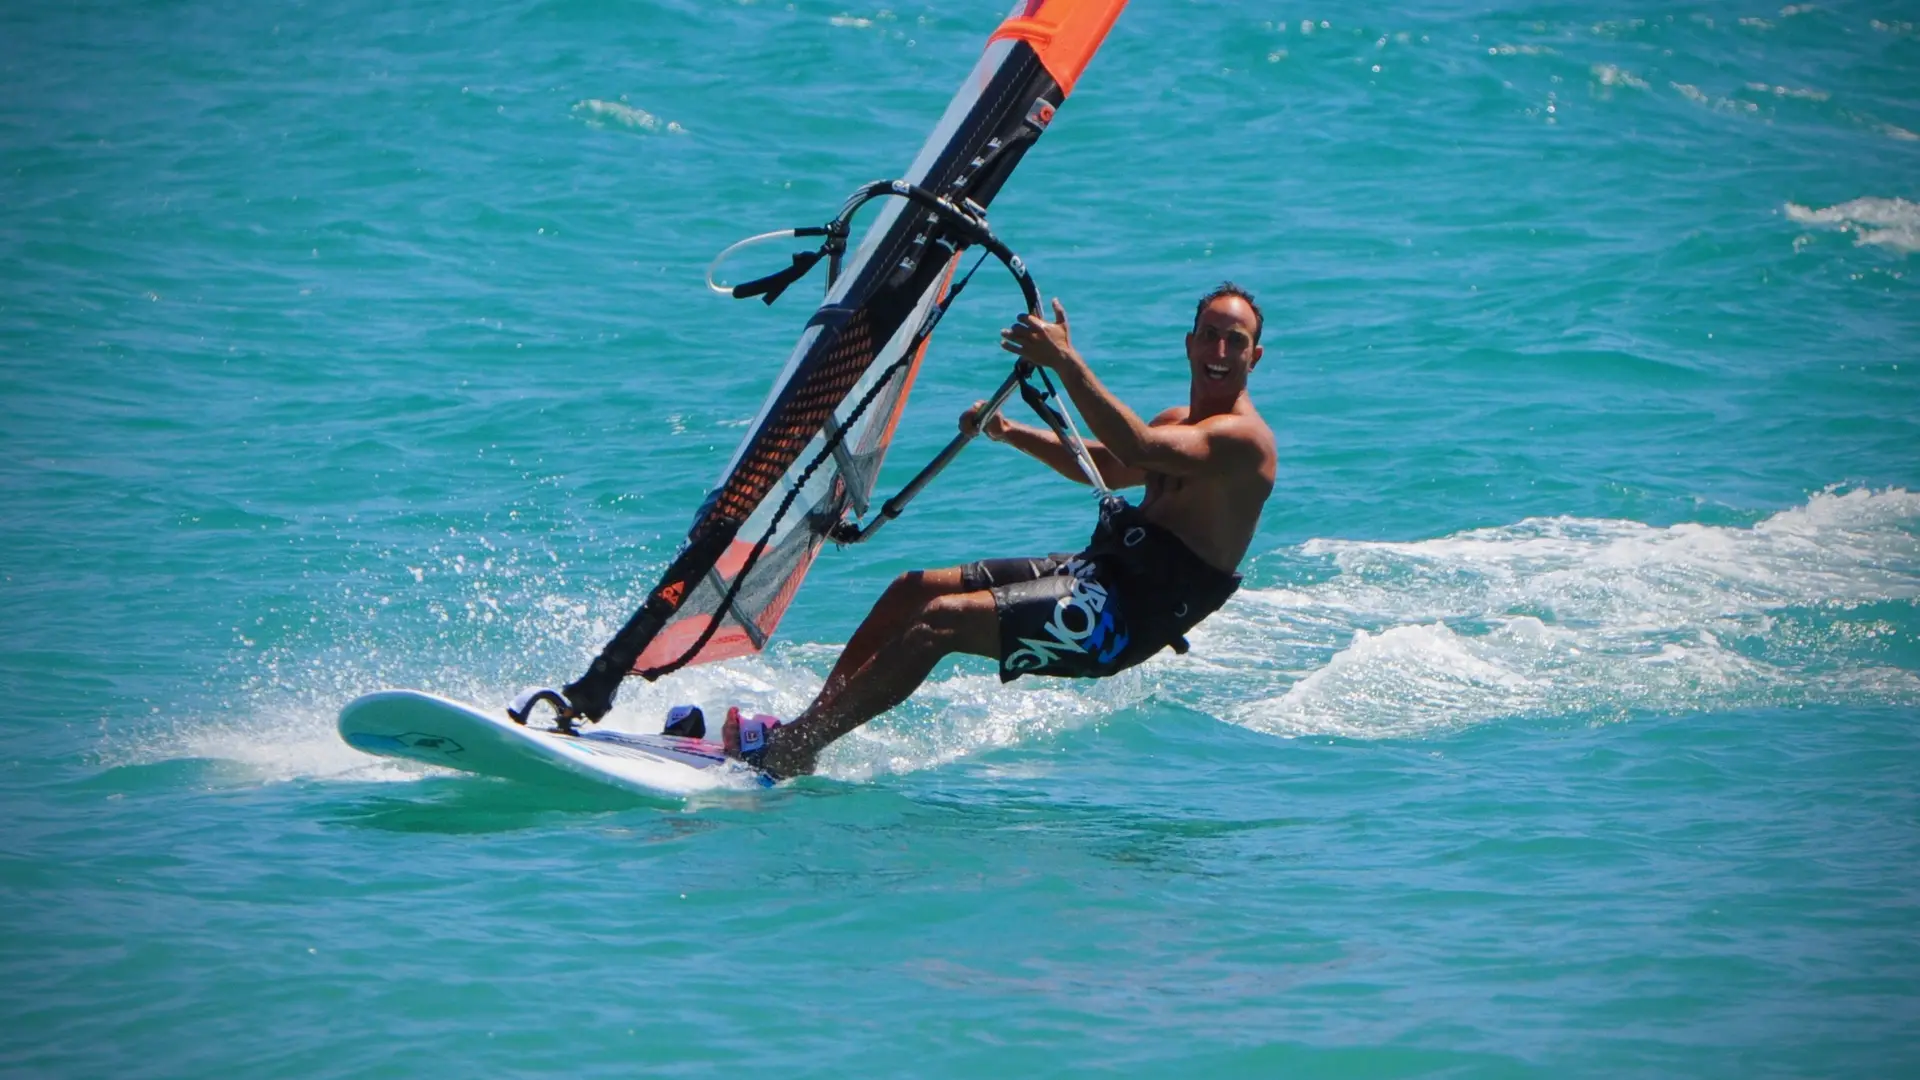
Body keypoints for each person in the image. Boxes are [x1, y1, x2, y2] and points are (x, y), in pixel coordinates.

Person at [724, 282, 1278, 777]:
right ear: (1190, 343)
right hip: (1101, 574)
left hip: (1126, 619)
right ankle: (804, 732)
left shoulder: (1246, 443)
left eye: (1235, 341)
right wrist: (1010, 430)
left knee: (939, 623)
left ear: (1255, 357)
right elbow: (1112, 464)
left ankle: (796, 748)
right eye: (1210, 335)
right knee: (911, 590)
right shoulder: (1175, 421)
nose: (1220, 352)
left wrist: (1065, 361)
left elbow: (1137, 446)